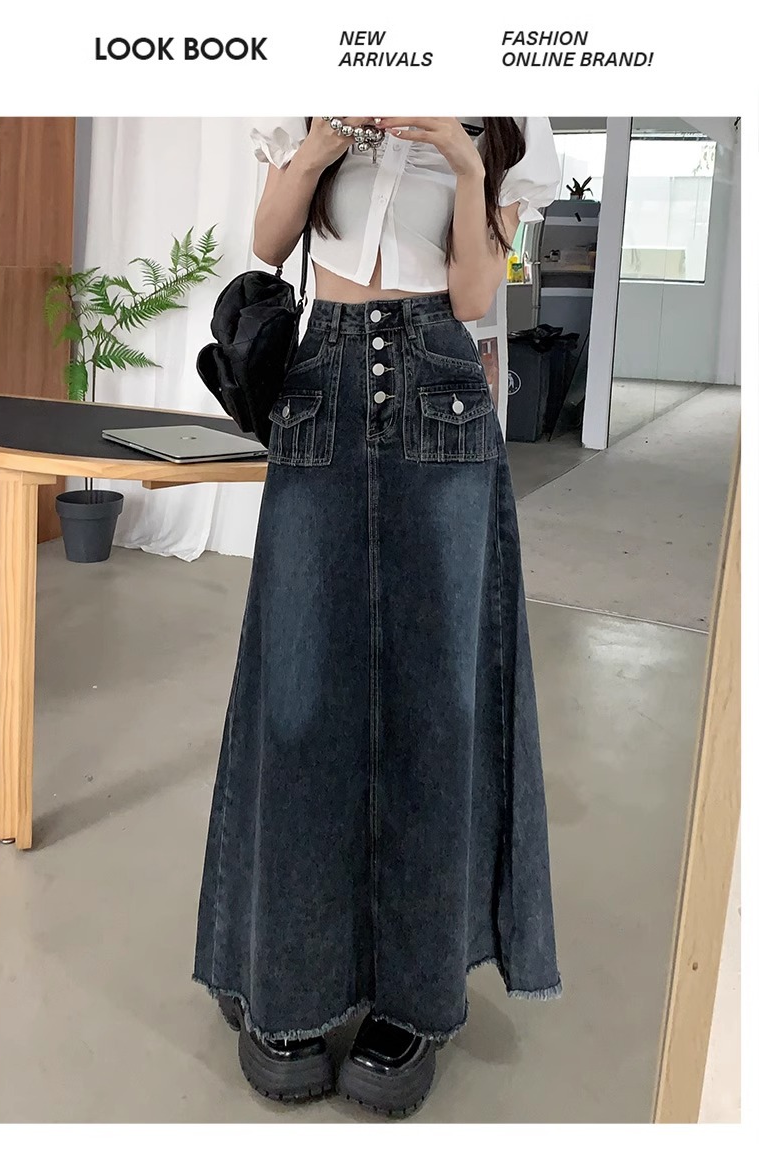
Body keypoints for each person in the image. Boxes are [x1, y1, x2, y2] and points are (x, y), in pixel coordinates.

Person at [193, 116, 563, 1119]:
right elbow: (268, 239)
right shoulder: (318, 87)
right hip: (320, 383)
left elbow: (477, 296)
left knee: (436, 709)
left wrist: (460, 155)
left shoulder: (503, 116)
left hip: (443, 392)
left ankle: (415, 998)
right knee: (295, 701)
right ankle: (287, 975)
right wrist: (324, 138)